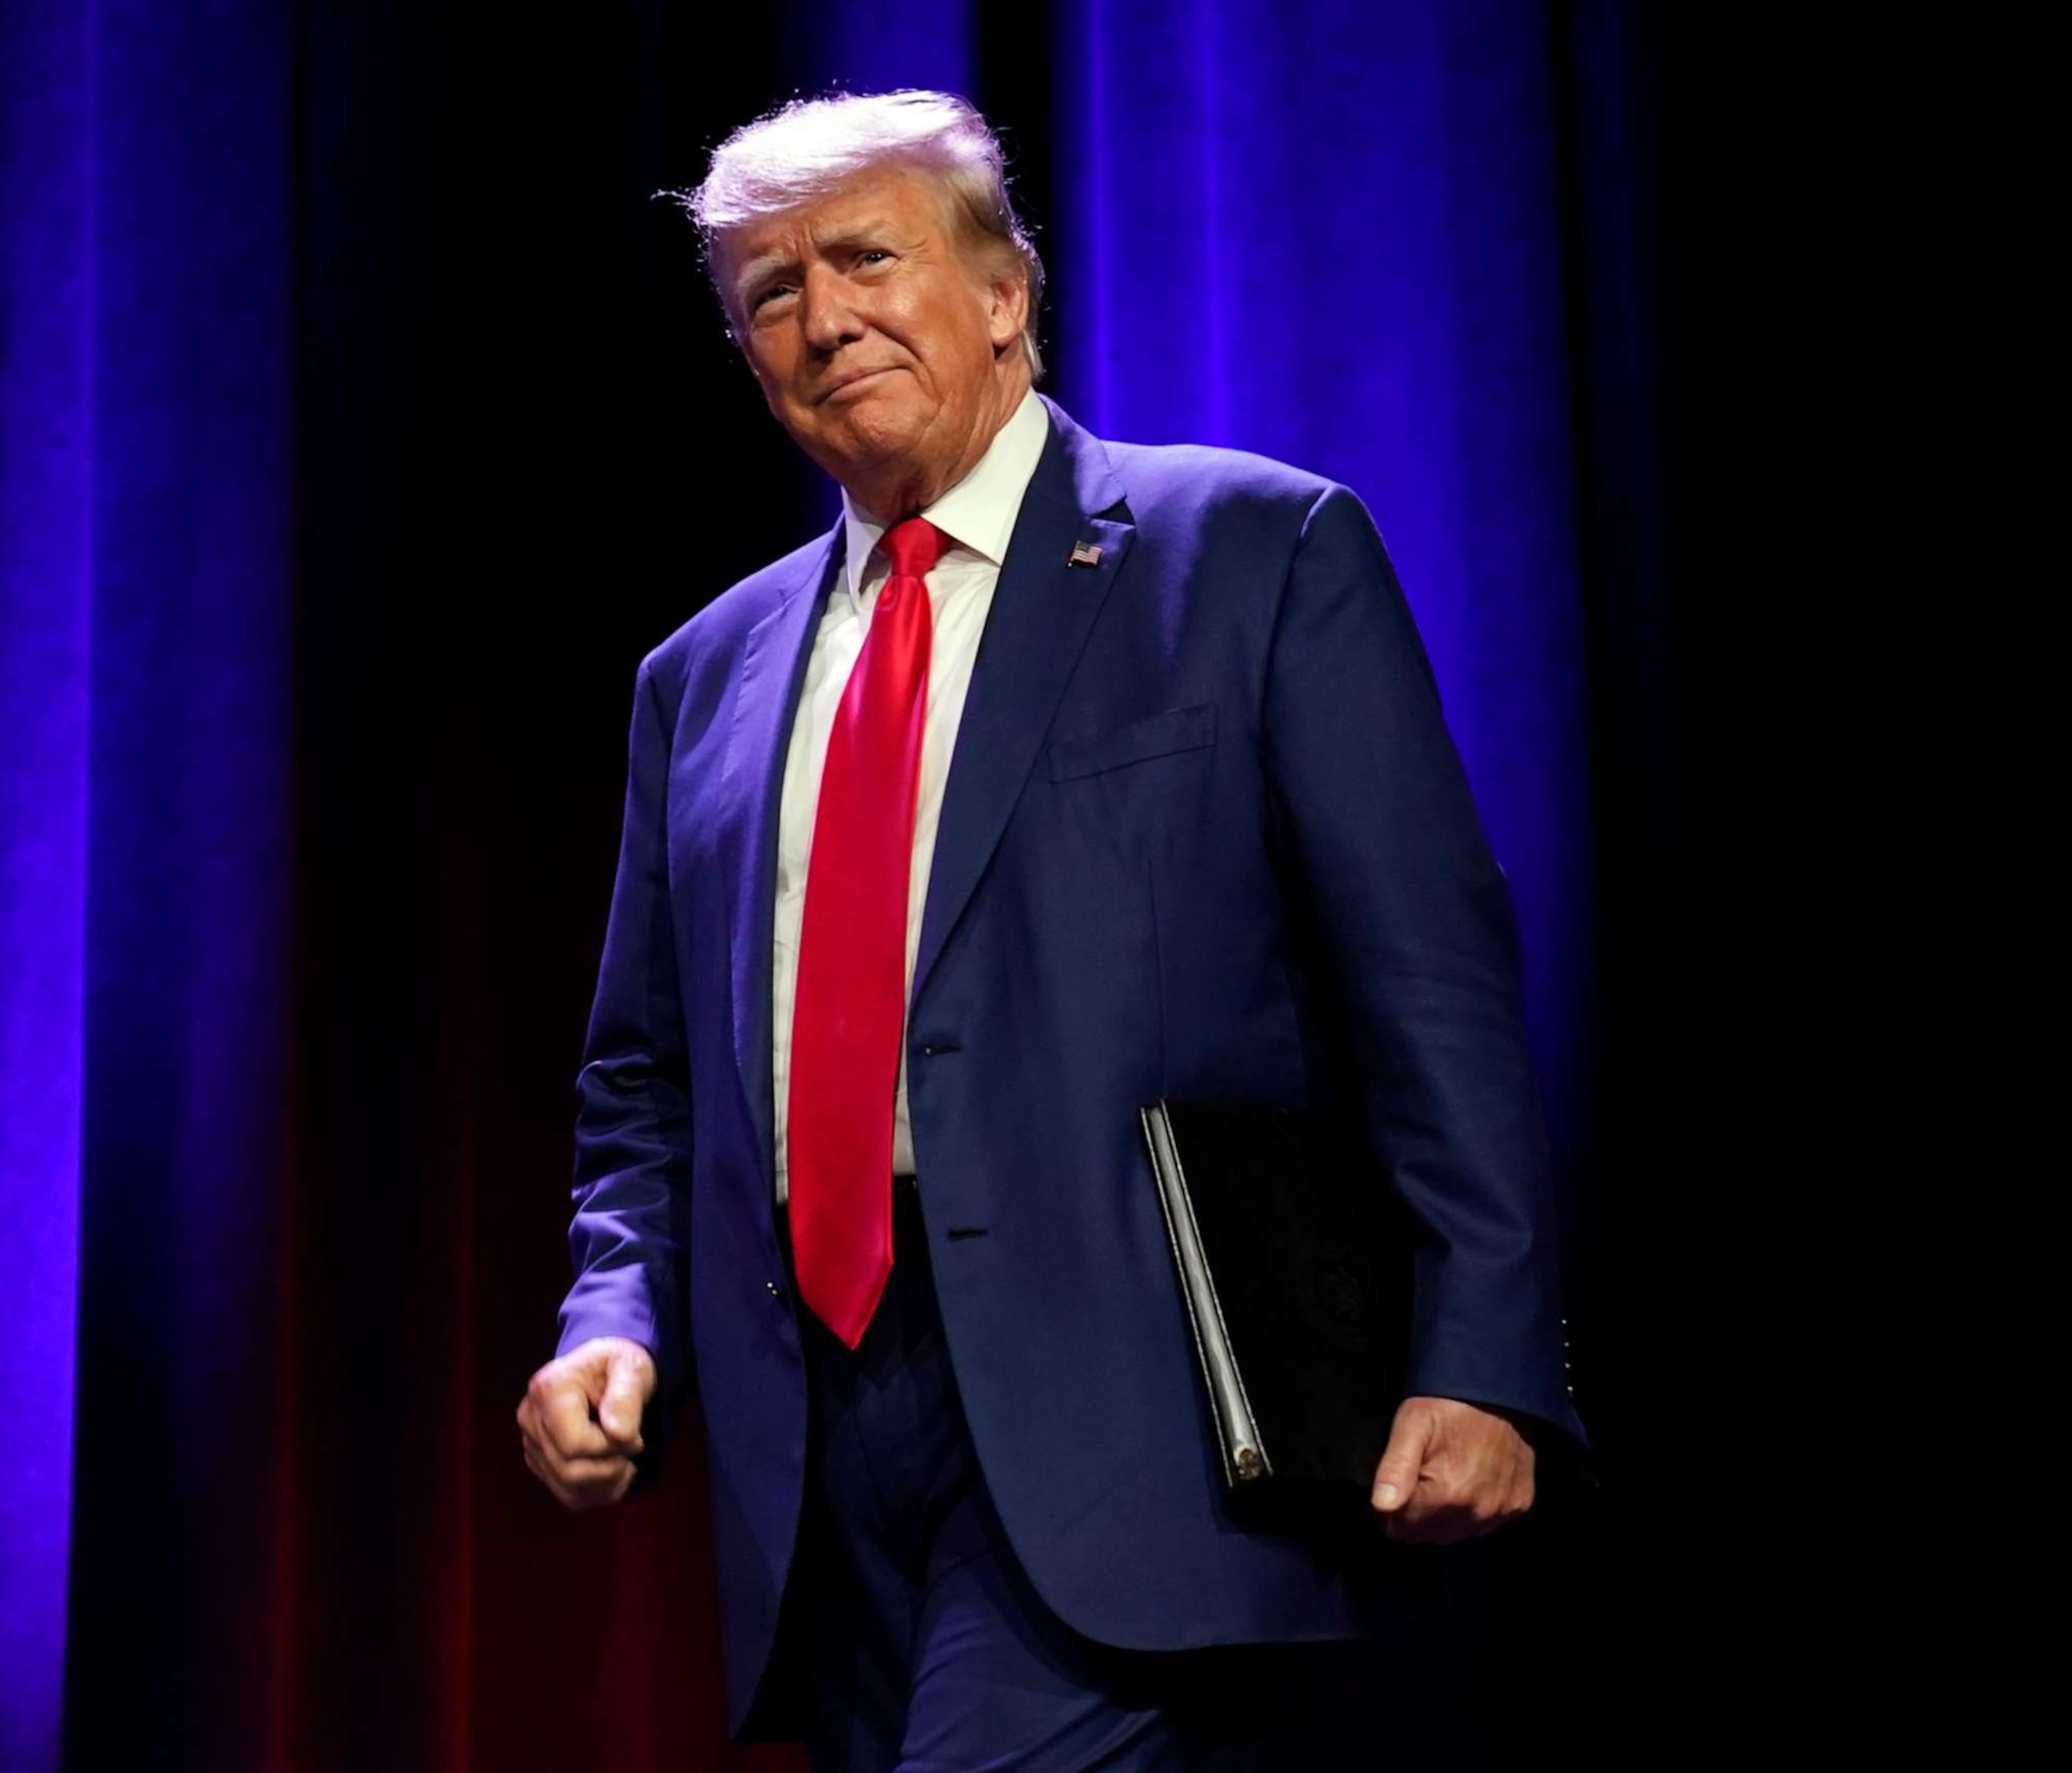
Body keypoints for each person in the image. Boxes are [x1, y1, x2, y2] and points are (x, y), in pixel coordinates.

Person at [514, 88, 1584, 1770]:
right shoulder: (698, 679)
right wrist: (613, 1322)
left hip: (1130, 1402)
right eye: (771, 293)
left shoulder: (1248, 553)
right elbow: (643, 1083)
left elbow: (1427, 982)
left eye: (866, 257)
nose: (822, 315)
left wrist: (1489, 1356)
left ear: (1004, 291)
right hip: (815, 1437)